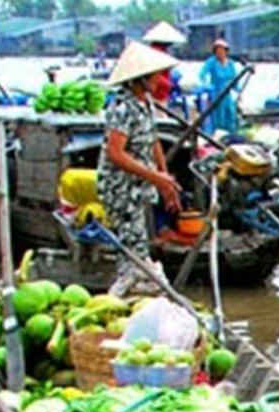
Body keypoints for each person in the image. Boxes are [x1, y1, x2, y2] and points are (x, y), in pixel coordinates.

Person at [99, 42, 182, 296]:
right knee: (131, 249)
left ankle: (133, 292)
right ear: (141, 79)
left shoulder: (145, 101)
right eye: (156, 76)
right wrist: (156, 177)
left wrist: (164, 177)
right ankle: (119, 297)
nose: (160, 80)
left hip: (139, 185)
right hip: (121, 188)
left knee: (138, 240)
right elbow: (115, 153)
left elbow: (153, 140)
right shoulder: (123, 106)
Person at [198, 39, 243, 136]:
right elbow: (202, 74)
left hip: (227, 95)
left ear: (226, 51)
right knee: (219, 118)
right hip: (216, 94)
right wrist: (205, 85)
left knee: (231, 116)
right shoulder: (212, 62)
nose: (220, 53)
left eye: (222, 50)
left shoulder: (230, 63)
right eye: (218, 51)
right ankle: (218, 136)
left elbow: (235, 79)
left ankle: (231, 136)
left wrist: (239, 92)